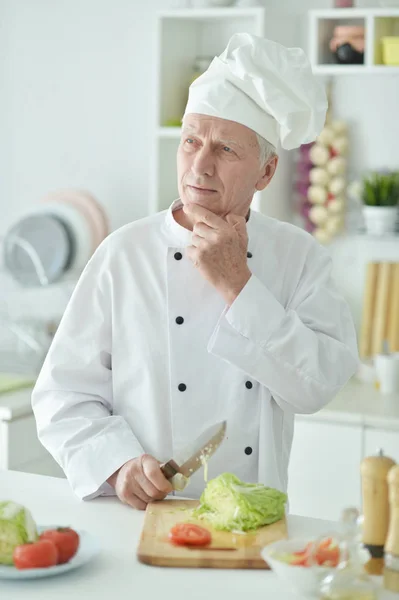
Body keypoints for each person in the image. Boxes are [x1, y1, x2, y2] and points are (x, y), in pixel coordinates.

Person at [32, 33, 359, 510]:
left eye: (226, 150)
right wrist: (118, 464)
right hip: (144, 519)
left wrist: (238, 285)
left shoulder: (298, 257)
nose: (199, 167)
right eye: (190, 141)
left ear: (265, 173)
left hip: (252, 520)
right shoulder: (123, 253)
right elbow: (62, 394)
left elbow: (318, 386)